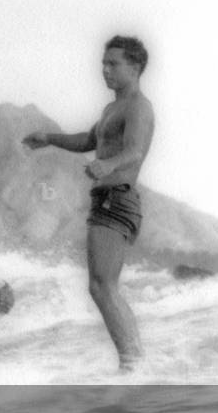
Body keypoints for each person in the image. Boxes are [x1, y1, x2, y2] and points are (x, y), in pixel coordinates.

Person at [22, 35, 155, 371]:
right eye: (103, 64)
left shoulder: (138, 106)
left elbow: (135, 150)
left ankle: (133, 365)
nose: (105, 70)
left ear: (135, 67)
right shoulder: (112, 108)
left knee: (102, 286)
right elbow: (88, 140)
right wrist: (49, 138)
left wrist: (108, 165)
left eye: (113, 64)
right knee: (101, 286)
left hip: (117, 197)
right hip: (107, 199)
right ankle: (134, 361)